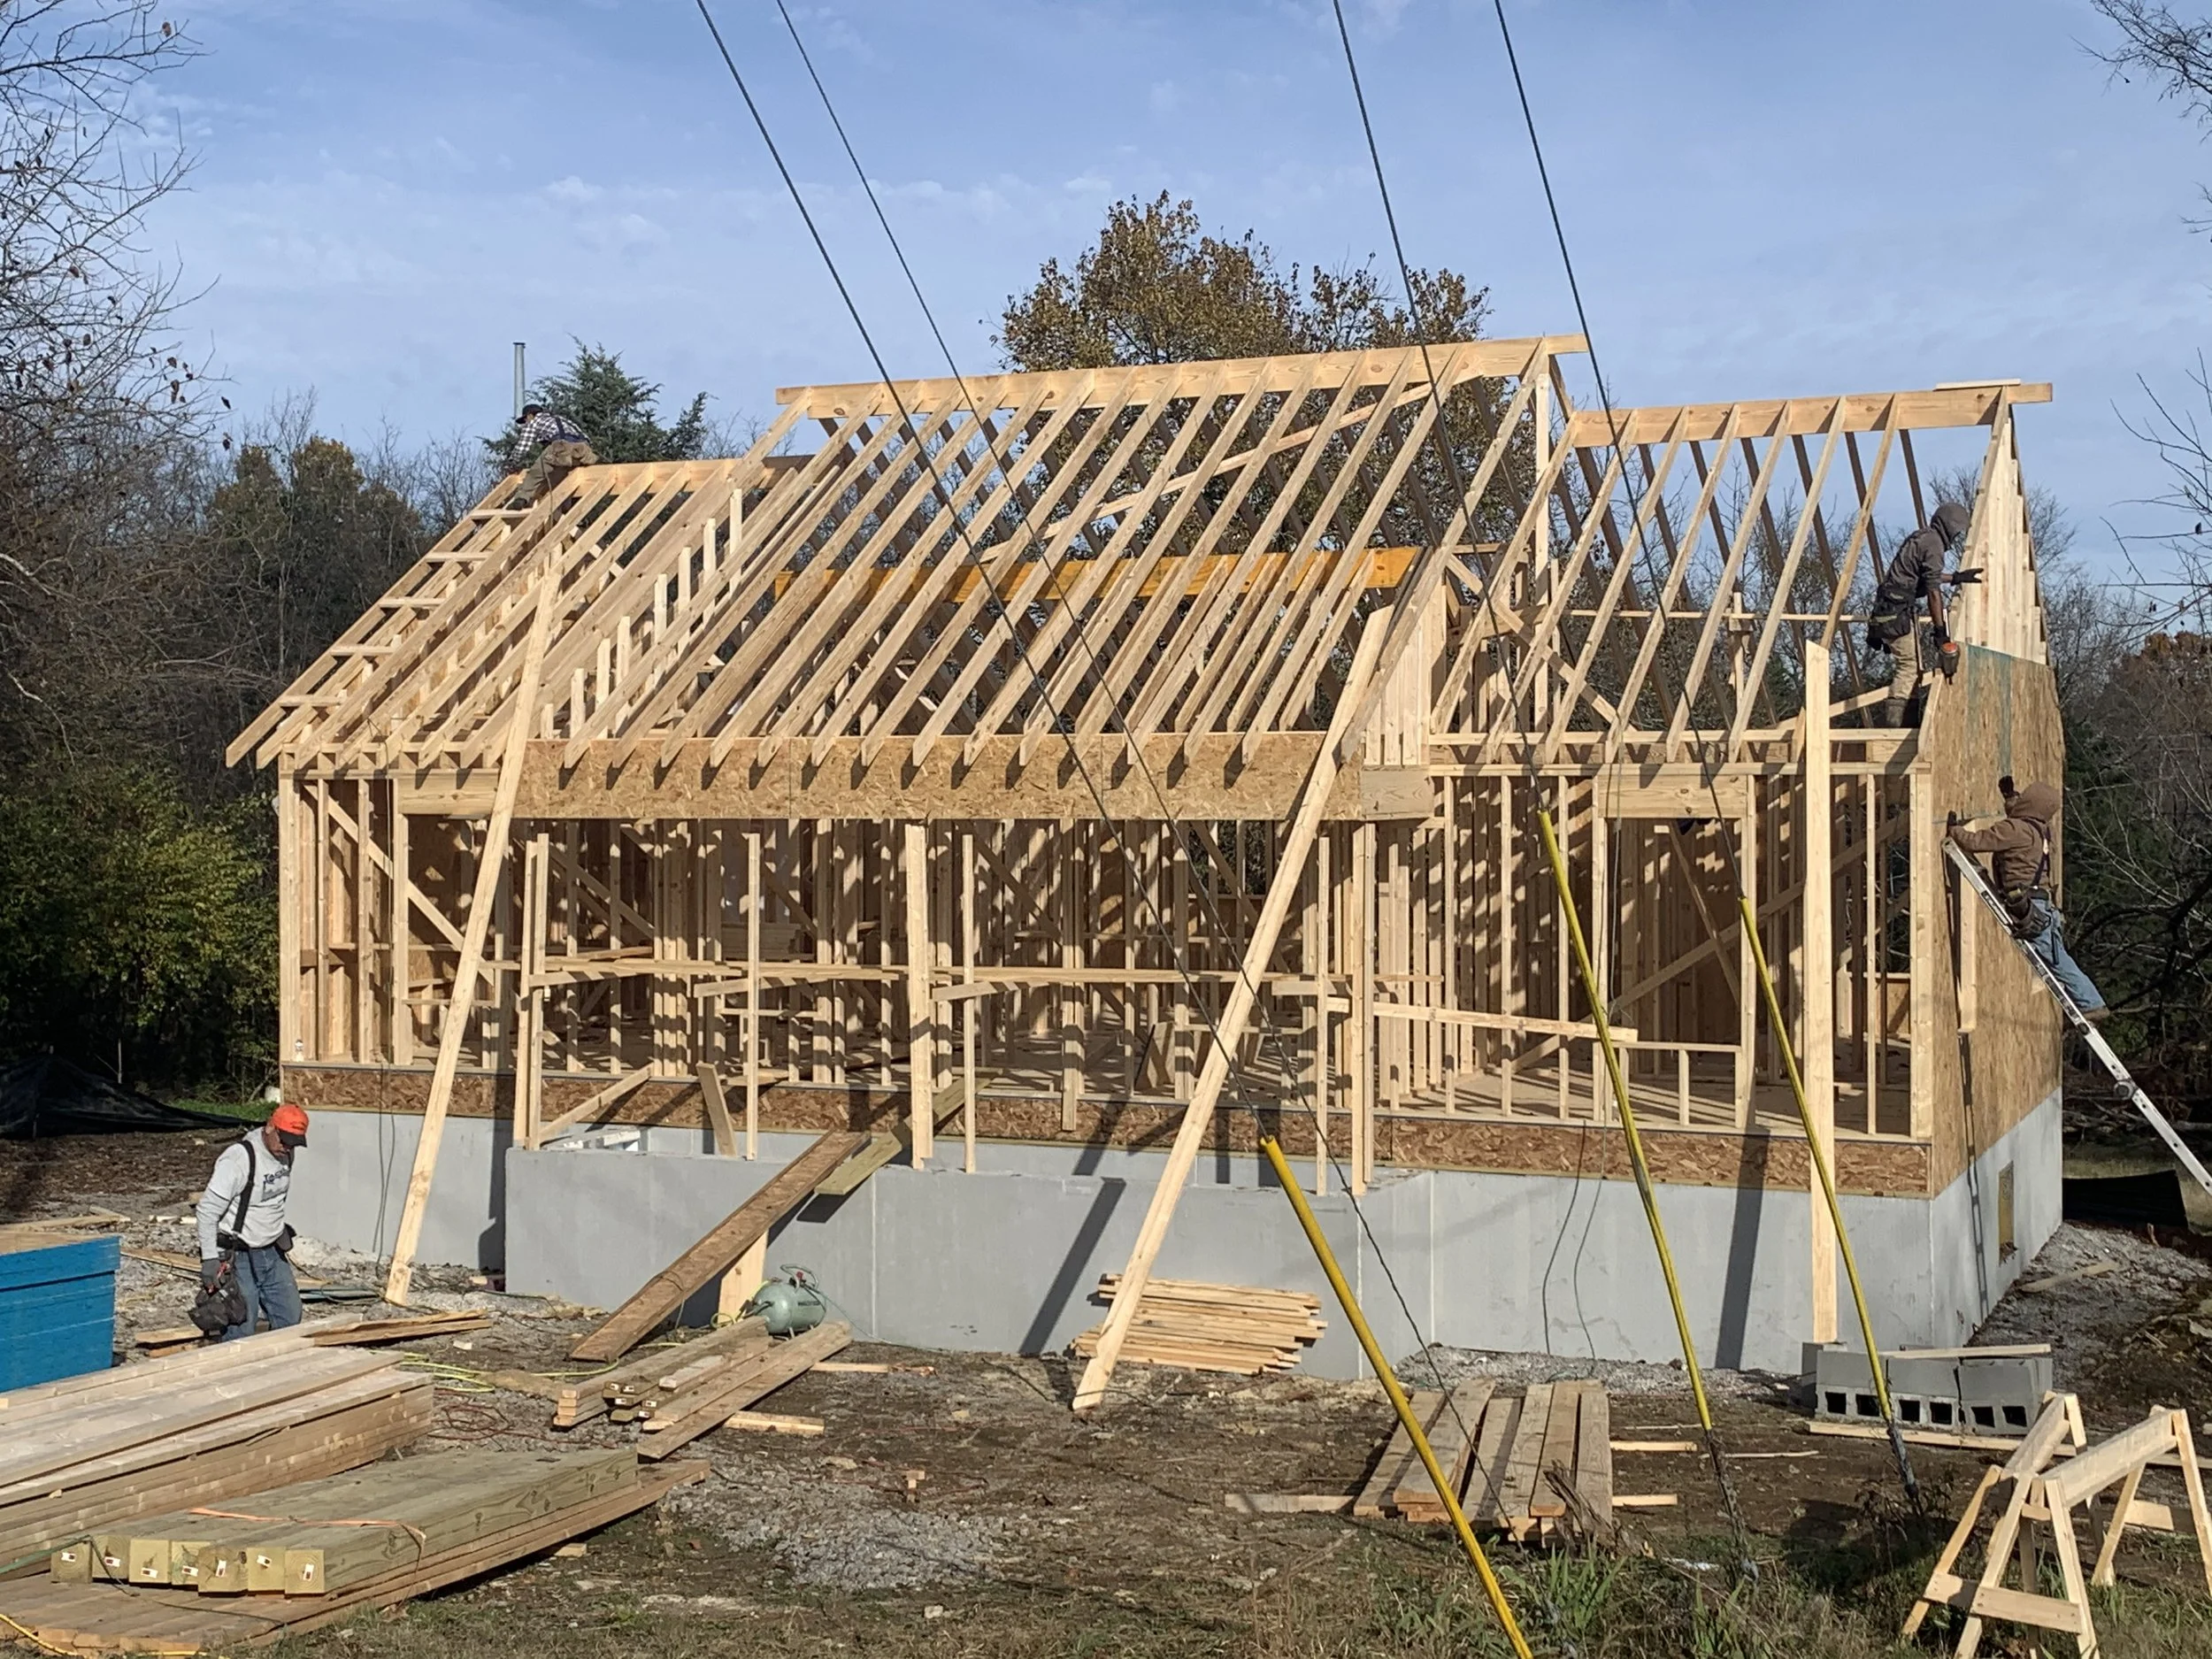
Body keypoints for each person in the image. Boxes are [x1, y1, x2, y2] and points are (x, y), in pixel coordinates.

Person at [1948, 777, 2108, 1022]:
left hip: (2028, 905)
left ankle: (2091, 1003)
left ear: (2030, 803)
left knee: (2058, 962)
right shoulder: (2041, 830)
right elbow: (2023, 817)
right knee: (2057, 956)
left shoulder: (2015, 830)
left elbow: (1976, 842)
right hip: (2041, 906)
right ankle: (2091, 1001)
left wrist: (1954, 829)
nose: (2019, 801)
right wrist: (2011, 797)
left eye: (2024, 799)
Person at [196, 1103, 310, 1340]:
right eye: (284, 1140)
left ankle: (276, 1370)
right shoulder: (239, 1159)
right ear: (270, 1127)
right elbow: (207, 1211)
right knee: (241, 1325)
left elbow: (276, 1194)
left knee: (289, 1316)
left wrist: (277, 1228)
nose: (287, 1148)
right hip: (239, 1255)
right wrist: (210, 1258)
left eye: (294, 1143)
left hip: (271, 1253)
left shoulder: (286, 1153)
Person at [1868, 499, 1970, 726]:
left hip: (1889, 609)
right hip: (1896, 612)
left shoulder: (1922, 537)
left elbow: (1926, 577)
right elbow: (1933, 592)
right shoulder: (1934, 544)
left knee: (1914, 667)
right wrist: (1940, 632)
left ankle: (1909, 726)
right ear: (1950, 528)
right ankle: (1896, 730)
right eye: (1957, 532)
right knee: (1908, 666)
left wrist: (1955, 578)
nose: (1956, 538)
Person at [510, 403, 598, 506]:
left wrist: (513, 461)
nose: (525, 422)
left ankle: (521, 498)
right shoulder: (560, 419)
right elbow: (585, 438)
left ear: (530, 415)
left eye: (525, 419)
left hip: (562, 447)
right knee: (561, 476)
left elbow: (523, 445)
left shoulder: (534, 422)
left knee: (537, 472)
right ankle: (566, 506)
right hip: (583, 451)